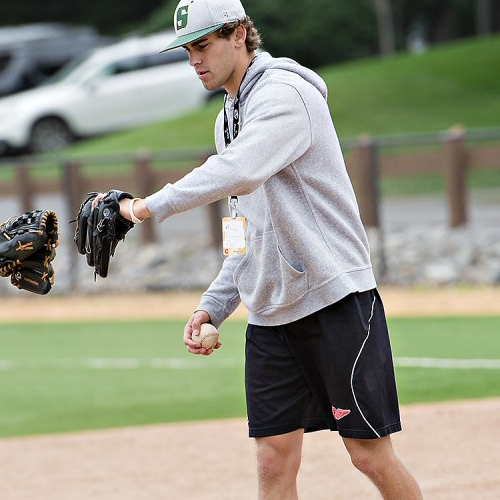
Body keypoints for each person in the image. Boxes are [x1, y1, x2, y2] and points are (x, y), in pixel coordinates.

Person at [103, 0, 424, 498]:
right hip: (272, 317)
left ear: (237, 34)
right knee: (273, 461)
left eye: (203, 45)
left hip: (332, 301)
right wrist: (213, 304)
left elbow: (240, 170)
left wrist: (143, 208)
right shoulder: (228, 117)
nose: (194, 60)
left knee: (368, 455)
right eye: (188, 50)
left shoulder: (285, 95)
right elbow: (243, 228)